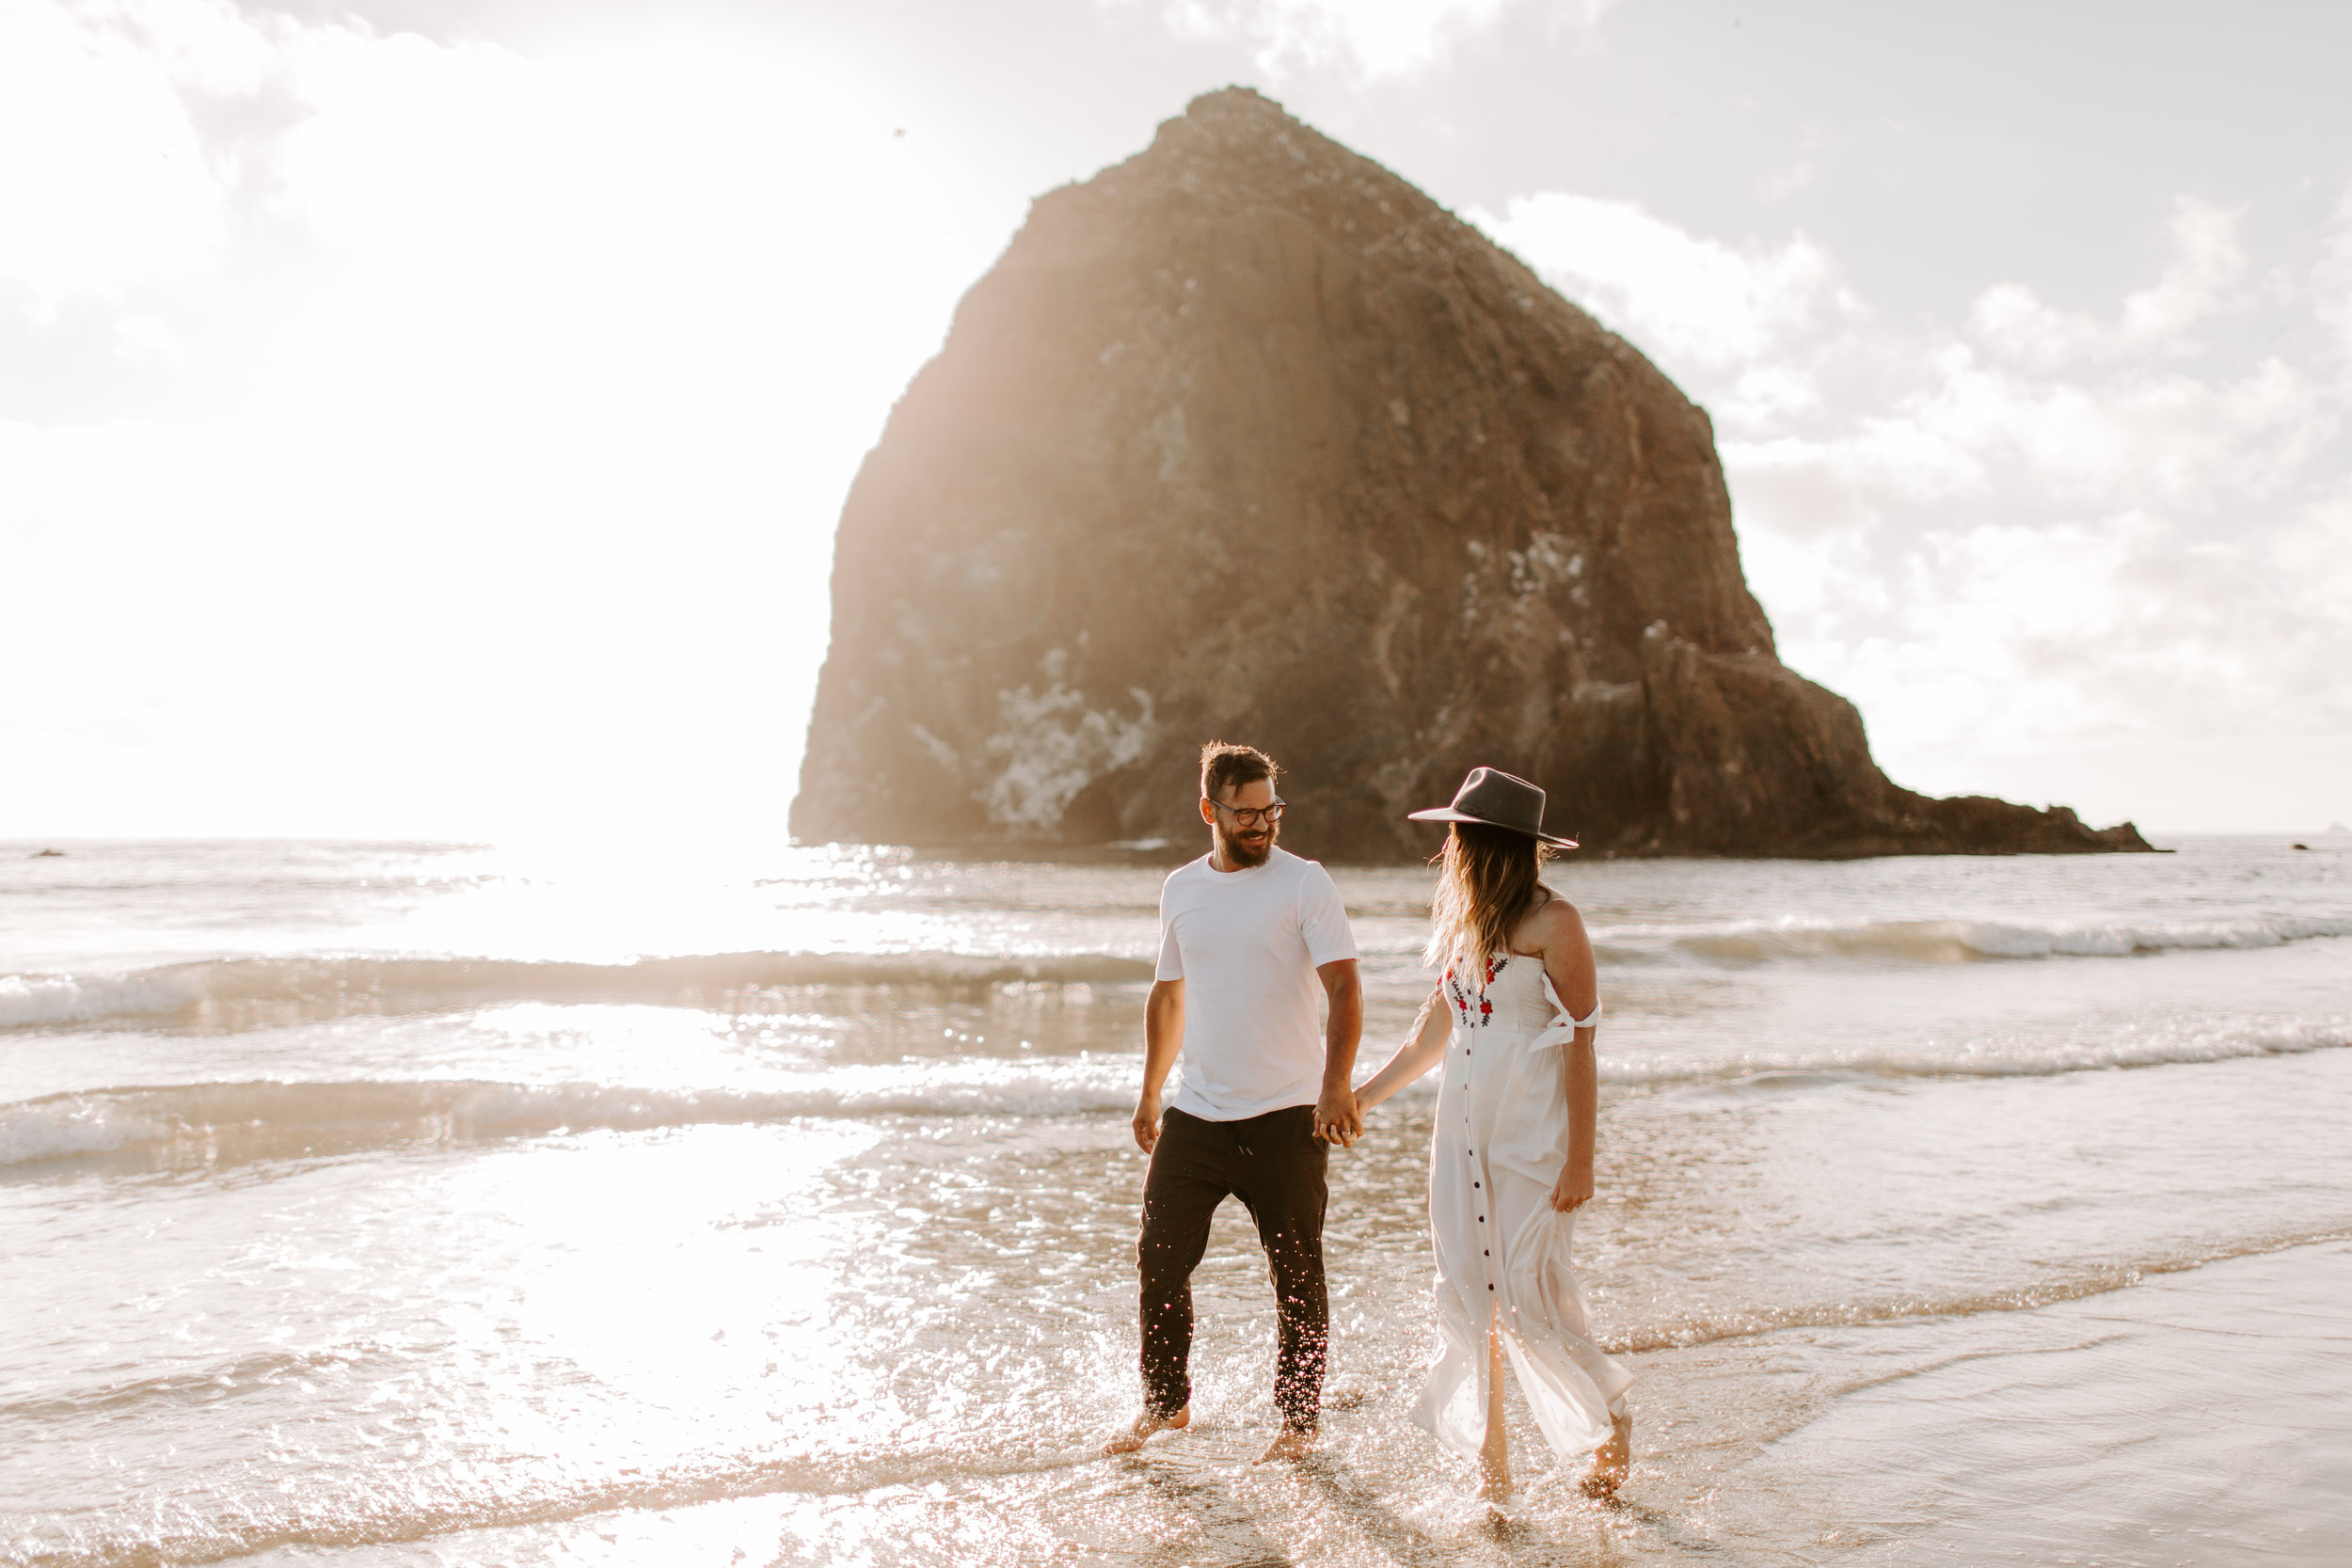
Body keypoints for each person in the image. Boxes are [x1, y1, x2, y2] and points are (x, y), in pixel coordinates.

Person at [1352, 766, 1633, 1503]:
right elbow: (1429, 1039)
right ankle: (1493, 1470)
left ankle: (1612, 1423)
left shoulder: (1555, 922)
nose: (1449, 848)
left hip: (1530, 1136)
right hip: (1460, 1134)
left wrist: (1580, 1159)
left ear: (1488, 845)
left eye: (1459, 836)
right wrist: (1361, 1099)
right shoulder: (1464, 926)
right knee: (1472, 1299)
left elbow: (1581, 1041)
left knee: (1530, 1295)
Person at [1105, 741, 1364, 1463]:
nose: (1261, 825)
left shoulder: (1304, 883)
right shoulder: (1182, 888)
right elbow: (1169, 993)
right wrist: (1151, 1089)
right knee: (1158, 1257)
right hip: (1201, 1111)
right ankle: (1167, 1402)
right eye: (1245, 813)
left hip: (1287, 1113)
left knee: (1296, 1270)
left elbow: (1345, 985)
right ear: (1209, 810)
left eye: (1270, 810)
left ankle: (1298, 1420)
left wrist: (1335, 1084)